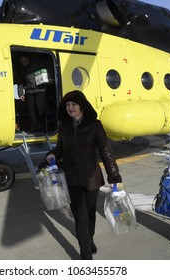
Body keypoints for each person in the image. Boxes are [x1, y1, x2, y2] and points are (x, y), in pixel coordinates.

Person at [45, 90, 122, 260]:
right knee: (80, 218)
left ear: (82, 106)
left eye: (73, 104)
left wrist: (114, 177)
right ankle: (85, 254)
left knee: (90, 214)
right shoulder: (64, 126)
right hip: (72, 178)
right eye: (67, 105)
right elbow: (60, 148)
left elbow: (106, 152)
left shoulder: (95, 125)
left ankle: (89, 238)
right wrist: (52, 154)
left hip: (91, 178)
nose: (70, 108)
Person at [16, 53, 54, 133]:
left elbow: (48, 67)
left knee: (40, 108)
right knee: (31, 110)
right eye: (22, 62)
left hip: (40, 90)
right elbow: (20, 82)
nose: (23, 64)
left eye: (24, 61)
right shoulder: (21, 69)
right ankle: (33, 128)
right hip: (29, 91)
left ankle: (44, 127)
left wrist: (50, 77)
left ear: (27, 59)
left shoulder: (37, 63)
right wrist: (21, 94)